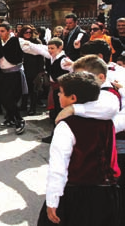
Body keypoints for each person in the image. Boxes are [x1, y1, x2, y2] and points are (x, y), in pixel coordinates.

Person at [37, 72, 120, 226]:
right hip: (107, 192)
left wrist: (52, 200)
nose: (58, 95)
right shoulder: (107, 120)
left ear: (73, 98)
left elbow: (58, 168)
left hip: (77, 194)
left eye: (61, 92)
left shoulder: (66, 125)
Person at [0, 22, 50, 135]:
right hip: (3, 74)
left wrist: (51, 54)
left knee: (10, 98)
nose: (0, 33)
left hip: (14, 74)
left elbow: (35, 48)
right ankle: (10, 119)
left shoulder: (17, 41)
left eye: (2, 31)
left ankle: (19, 120)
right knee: (3, 98)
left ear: (9, 31)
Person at [41, 38, 72, 143]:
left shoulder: (63, 60)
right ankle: (56, 135)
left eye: (52, 48)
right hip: (55, 88)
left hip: (61, 90)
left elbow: (73, 69)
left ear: (60, 48)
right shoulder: (52, 58)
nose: (50, 50)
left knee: (60, 112)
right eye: (49, 48)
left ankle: (58, 136)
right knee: (55, 112)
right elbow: (38, 49)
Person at [18, 25, 45, 115]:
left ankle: (33, 108)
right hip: (22, 67)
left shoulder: (36, 41)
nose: (28, 34)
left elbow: (41, 56)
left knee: (33, 89)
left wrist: (41, 70)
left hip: (34, 68)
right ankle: (23, 105)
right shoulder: (20, 41)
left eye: (30, 32)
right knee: (23, 88)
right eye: (26, 32)